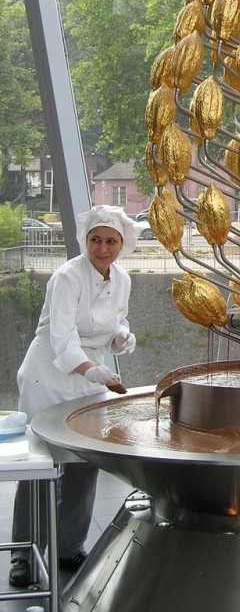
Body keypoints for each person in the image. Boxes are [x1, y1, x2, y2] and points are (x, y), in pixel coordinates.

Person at [9, 205, 139, 588]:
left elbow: (116, 319)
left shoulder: (123, 279)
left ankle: (69, 546)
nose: (102, 248)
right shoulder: (67, 277)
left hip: (88, 377)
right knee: (40, 466)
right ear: (86, 240)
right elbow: (61, 338)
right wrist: (92, 370)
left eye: (111, 241)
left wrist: (120, 336)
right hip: (47, 376)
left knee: (84, 462)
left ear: (122, 244)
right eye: (96, 240)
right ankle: (22, 553)